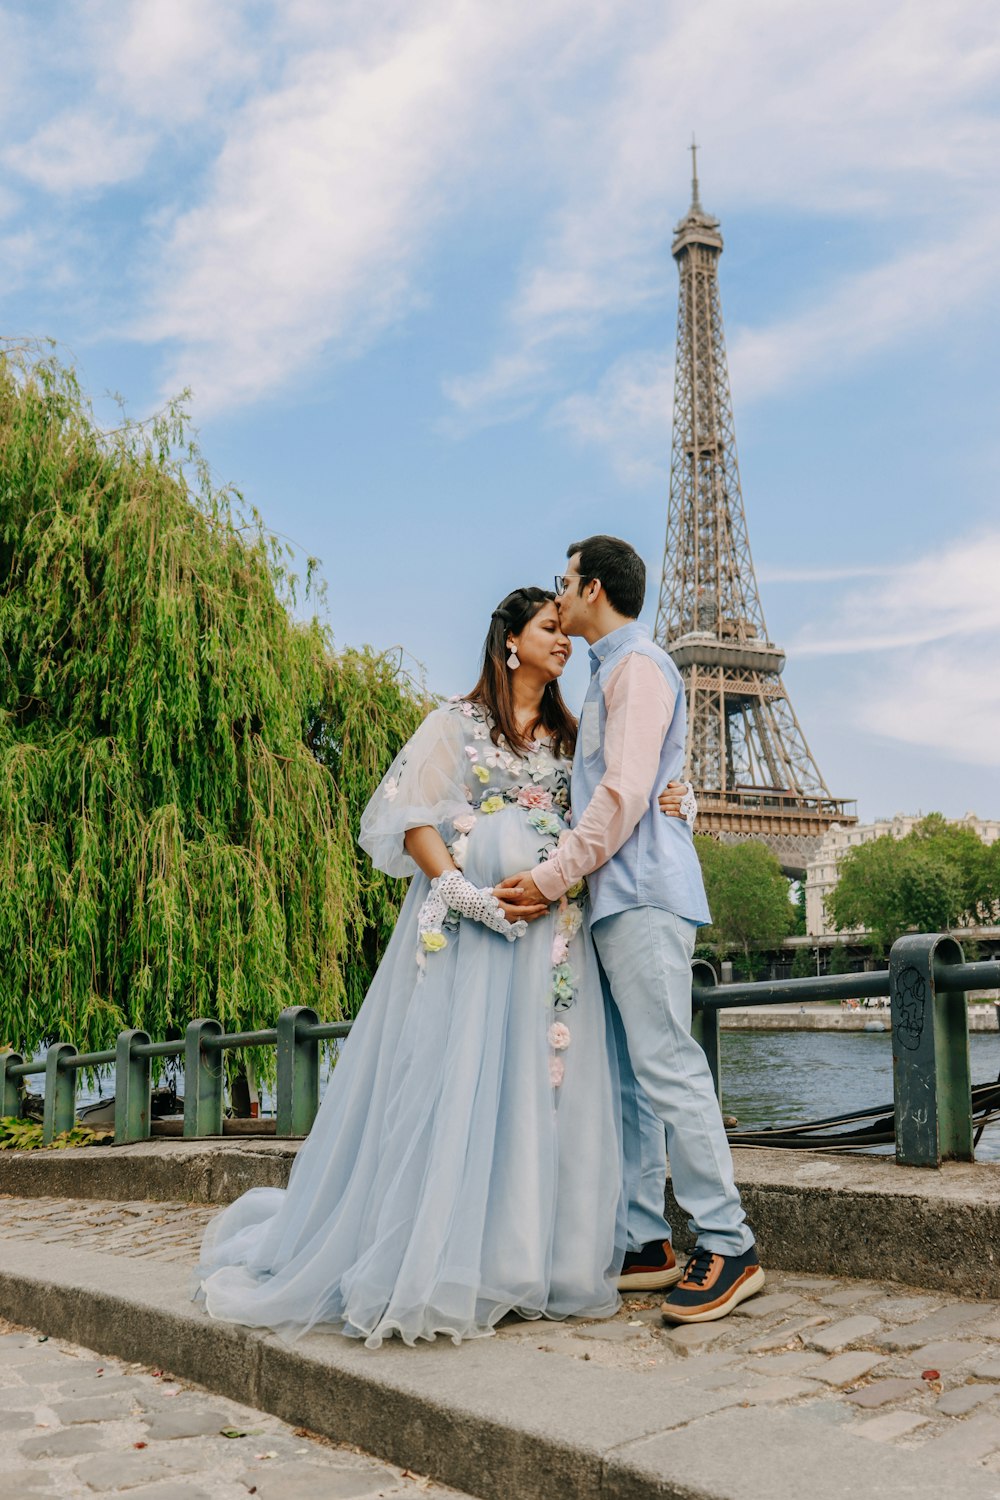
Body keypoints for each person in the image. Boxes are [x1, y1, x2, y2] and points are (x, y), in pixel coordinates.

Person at [195, 587, 687, 1348]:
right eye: (551, 629)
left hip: (553, 945)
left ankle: (531, 1258)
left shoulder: (575, 734)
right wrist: (463, 891)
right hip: (479, 940)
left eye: (567, 629)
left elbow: (622, 795)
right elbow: (406, 812)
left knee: (541, 1090)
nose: (565, 641)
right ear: (511, 642)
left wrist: (676, 797)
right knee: (466, 1084)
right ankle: (446, 1253)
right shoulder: (454, 724)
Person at [499, 537, 765, 1323]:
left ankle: (728, 1243)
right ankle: (646, 1240)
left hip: (642, 892)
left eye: (566, 581)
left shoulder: (638, 667)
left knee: (667, 1066)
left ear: (595, 589)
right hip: (618, 898)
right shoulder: (611, 670)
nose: (560, 593)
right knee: (631, 1078)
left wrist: (550, 877)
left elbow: (622, 794)